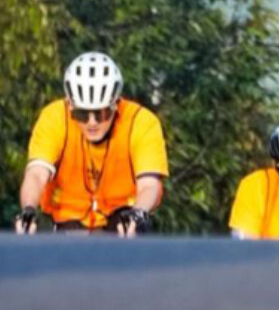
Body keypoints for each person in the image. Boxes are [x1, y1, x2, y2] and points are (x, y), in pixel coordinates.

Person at [13, 52, 166, 235]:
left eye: (101, 114)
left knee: (131, 226)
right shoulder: (54, 118)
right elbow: (36, 174)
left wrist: (139, 213)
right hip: (69, 215)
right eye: (82, 114)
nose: (92, 123)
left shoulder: (141, 122)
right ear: (70, 106)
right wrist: (28, 209)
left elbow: (149, 185)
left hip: (122, 214)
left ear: (115, 105)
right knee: (68, 238)